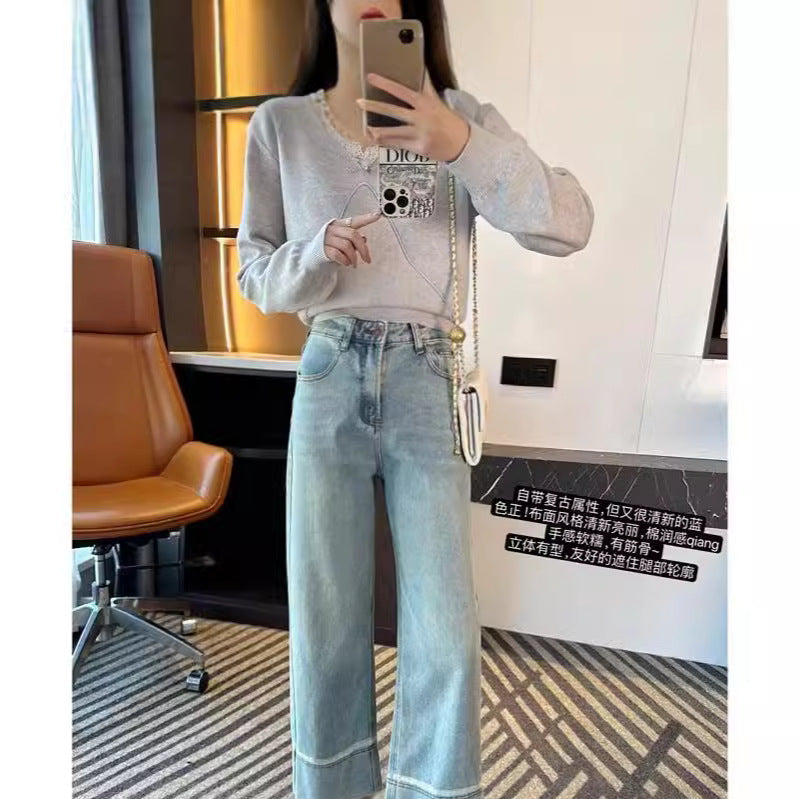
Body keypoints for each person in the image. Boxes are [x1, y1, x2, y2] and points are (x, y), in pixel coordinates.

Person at [235, 2, 594, 798]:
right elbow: (253, 273)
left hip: (427, 374)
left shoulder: (455, 113)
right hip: (329, 368)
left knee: (444, 626)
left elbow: (569, 222)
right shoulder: (280, 126)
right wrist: (314, 252)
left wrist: (457, 142)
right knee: (326, 616)